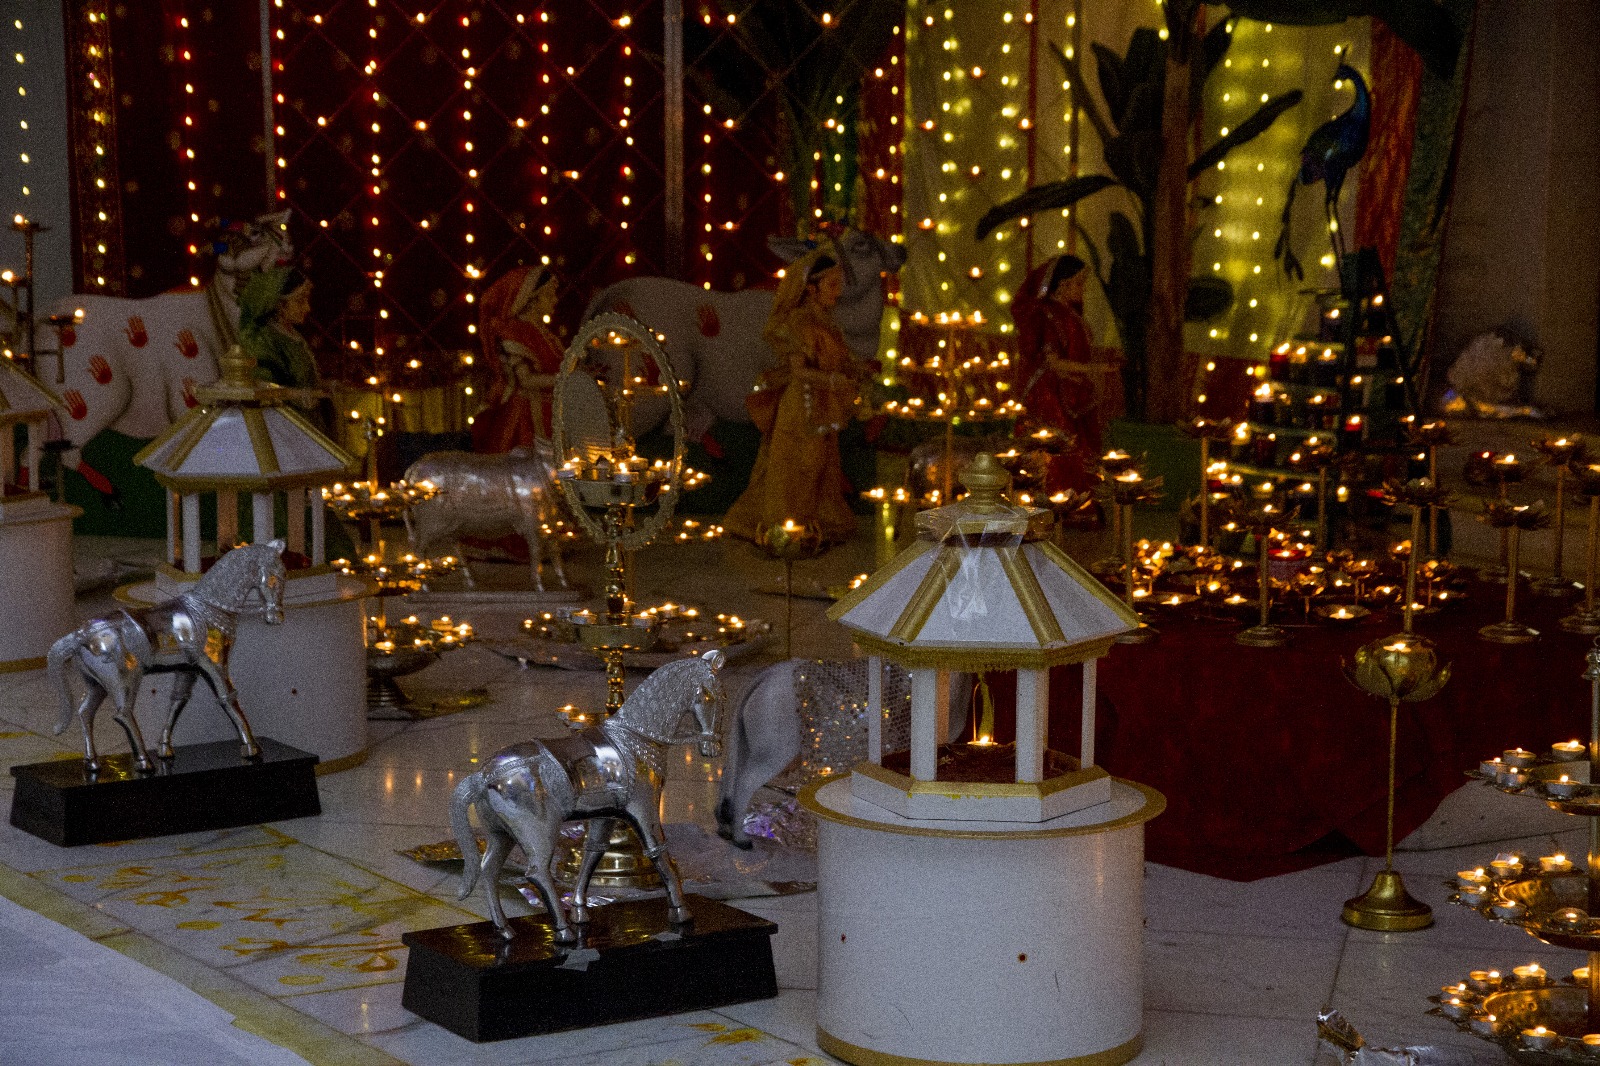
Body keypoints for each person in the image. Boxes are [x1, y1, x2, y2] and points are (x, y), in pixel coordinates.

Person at [724, 248, 860, 544]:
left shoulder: (827, 322)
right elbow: (799, 371)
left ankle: (812, 523)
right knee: (795, 464)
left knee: (819, 464)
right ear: (811, 288)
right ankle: (784, 526)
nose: (838, 292)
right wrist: (833, 380)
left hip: (822, 404)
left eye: (839, 285)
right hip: (800, 405)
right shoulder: (799, 323)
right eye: (832, 285)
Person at [1010, 254, 1115, 493]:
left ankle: (1076, 502)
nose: (1082, 289)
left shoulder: (1069, 313)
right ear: (1062, 284)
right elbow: (1054, 363)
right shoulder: (1049, 315)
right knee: (1059, 451)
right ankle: (1054, 500)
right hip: (1051, 395)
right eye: (1078, 283)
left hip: (1073, 390)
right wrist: (1096, 369)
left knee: (1079, 451)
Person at [471, 266, 564, 453]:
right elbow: (526, 379)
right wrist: (567, 379)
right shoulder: (514, 331)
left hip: (552, 415)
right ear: (532, 298)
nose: (555, 300)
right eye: (548, 295)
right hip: (525, 419)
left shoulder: (545, 333)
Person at [238, 266, 321, 394]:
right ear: (279, 305)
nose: (307, 308)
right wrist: (300, 397)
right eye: (300, 301)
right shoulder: (263, 340)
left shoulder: (294, 336)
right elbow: (267, 387)